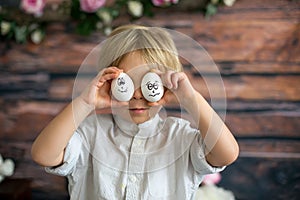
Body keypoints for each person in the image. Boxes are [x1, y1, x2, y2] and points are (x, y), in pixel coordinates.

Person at [31, 24, 239, 200]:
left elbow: (226, 154)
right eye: (128, 83)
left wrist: (191, 99)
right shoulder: (90, 134)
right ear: (109, 82)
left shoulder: (180, 136)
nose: (137, 95)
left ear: (166, 85)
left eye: (149, 82)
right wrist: (85, 103)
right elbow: (43, 155)